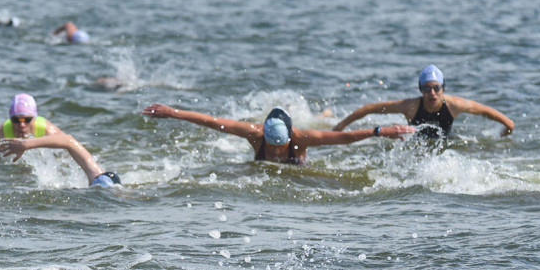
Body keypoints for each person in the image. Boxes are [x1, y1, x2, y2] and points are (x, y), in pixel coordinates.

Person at [142, 104, 415, 166]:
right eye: (270, 146)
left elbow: (343, 138)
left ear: (289, 139)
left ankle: (324, 114)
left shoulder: (303, 138)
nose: (273, 152)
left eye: (278, 146)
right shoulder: (253, 134)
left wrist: (380, 131)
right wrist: (174, 112)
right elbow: (213, 122)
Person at [331, 65, 515, 139]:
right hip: (416, 144)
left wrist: (507, 126)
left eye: (436, 88)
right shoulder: (410, 106)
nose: (432, 93)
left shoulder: (454, 105)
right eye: (427, 88)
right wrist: (341, 125)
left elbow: (485, 111)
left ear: (443, 88)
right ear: (420, 90)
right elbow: (371, 108)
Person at [0, 93, 120, 187]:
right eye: (16, 120)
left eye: (26, 120)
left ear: (34, 118)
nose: (22, 125)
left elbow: (67, 144)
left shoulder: (48, 130)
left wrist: (25, 144)